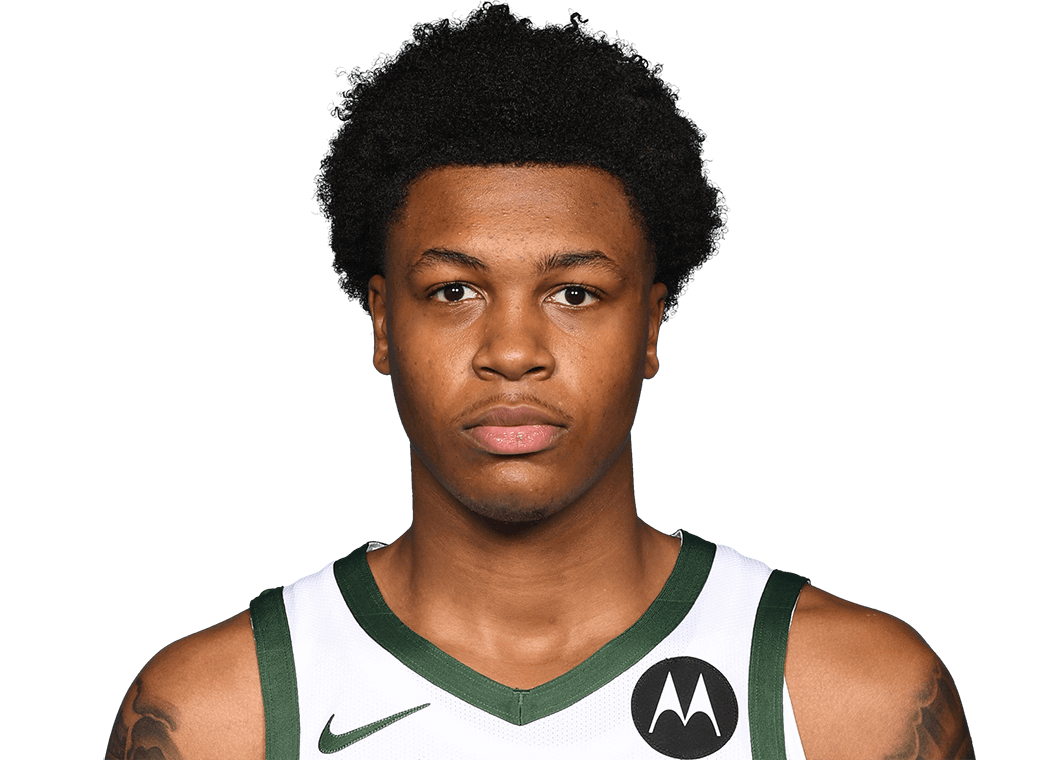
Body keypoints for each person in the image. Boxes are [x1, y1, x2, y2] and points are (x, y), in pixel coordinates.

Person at [105, 3, 974, 758]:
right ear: (382, 323)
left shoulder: (849, 698)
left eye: (574, 293)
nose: (513, 351)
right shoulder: (223, 714)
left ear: (650, 327)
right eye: (455, 291)